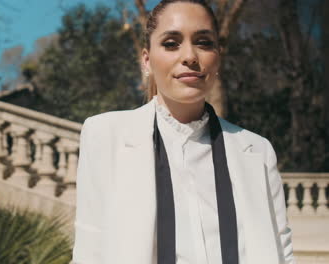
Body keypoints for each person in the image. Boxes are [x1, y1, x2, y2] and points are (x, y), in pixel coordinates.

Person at [71, 0, 295, 263]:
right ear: (146, 61)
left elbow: (282, 252)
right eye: (171, 43)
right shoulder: (104, 135)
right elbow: (90, 251)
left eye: (204, 42)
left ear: (218, 57)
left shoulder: (257, 150)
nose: (190, 56)